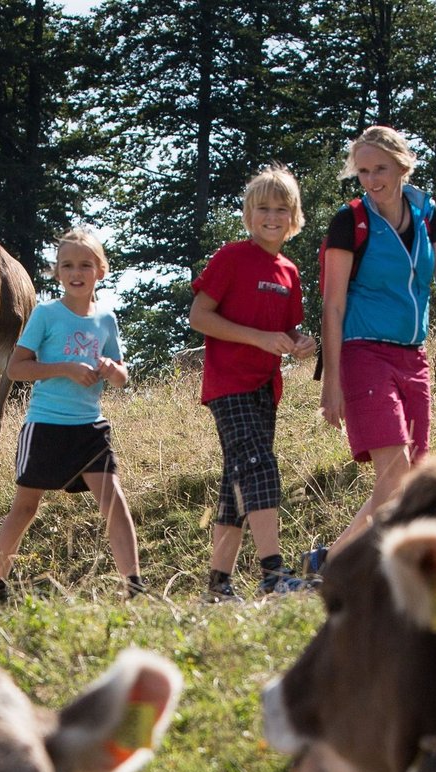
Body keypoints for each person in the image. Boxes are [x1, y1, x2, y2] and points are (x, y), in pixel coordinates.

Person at [317, 126, 436, 561]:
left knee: (409, 476)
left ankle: (333, 562)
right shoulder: (350, 222)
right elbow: (333, 305)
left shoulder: (425, 213)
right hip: (362, 352)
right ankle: (373, 570)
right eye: (363, 171)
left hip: (413, 356)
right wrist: (331, 383)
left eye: (380, 168)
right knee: (396, 466)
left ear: (403, 165)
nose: (371, 179)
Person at [0, 228, 141, 603]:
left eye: (85, 264)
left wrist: (109, 368)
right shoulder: (46, 314)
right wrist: (66, 367)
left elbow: (121, 375)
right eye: (67, 265)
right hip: (46, 426)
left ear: (101, 270)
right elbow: (17, 369)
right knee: (25, 507)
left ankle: (133, 585)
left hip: (90, 428)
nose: (76, 272)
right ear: (57, 272)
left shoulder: (106, 320)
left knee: (114, 503)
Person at [188, 165, 319, 602]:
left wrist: (303, 342)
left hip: (266, 388)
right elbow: (199, 316)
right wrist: (259, 338)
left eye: (281, 209)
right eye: (263, 207)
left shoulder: (289, 271)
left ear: (294, 216)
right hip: (229, 385)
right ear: (248, 213)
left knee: (236, 481)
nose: (272, 216)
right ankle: (273, 575)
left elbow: (288, 329)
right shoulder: (230, 257)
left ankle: (217, 588)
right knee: (260, 466)